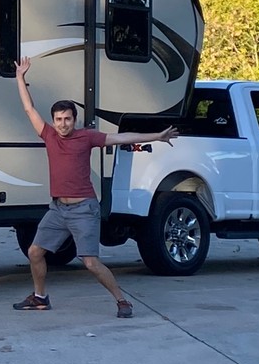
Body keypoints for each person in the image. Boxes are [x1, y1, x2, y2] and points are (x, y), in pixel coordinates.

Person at [12, 56, 178, 318]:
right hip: (57, 209)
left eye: (67, 118)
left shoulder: (87, 137)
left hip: (83, 209)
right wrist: (20, 77)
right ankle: (40, 297)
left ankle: (122, 301)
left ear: (75, 119)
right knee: (34, 252)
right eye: (58, 119)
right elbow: (29, 109)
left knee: (89, 262)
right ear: (53, 121)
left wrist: (156, 136)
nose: (63, 123)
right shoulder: (49, 136)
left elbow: (122, 137)